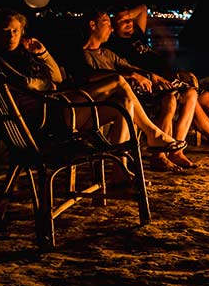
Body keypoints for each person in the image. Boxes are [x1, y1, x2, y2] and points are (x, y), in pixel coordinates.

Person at [0, 8, 185, 164]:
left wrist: (43, 54)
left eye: (15, 30)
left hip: (55, 110)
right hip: (46, 120)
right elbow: (28, 84)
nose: (11, 35)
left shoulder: (22, 54)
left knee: (123, 103)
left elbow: (55, 77)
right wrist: (51, 86)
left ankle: (119, 174)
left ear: (22, 32)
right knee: (118, 81)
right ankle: (153, 135)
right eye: (5, 31)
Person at [109, 3, 209, 155]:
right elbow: (123, 72)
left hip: (170, 78)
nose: (129, 23)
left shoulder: (136, 33)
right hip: (154, 87)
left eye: (129, 19)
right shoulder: (115, 45)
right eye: (123, 21)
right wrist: (115, 18)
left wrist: (123, 15)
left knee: (207, 96)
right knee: (191, 97)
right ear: (112, 27)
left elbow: (142, 8)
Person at [76, 9, 199, 172]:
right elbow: (88, 76)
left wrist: (150, 75)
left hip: (125, 100)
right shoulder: (80, 54)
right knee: (162, 99)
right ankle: (157, 147)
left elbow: (129, 67)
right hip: (97, 106)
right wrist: (131, 75)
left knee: (178, 94)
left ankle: (168, 150)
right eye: (107, 23)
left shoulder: (107, 53)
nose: (111, 29)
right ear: (92, 25)